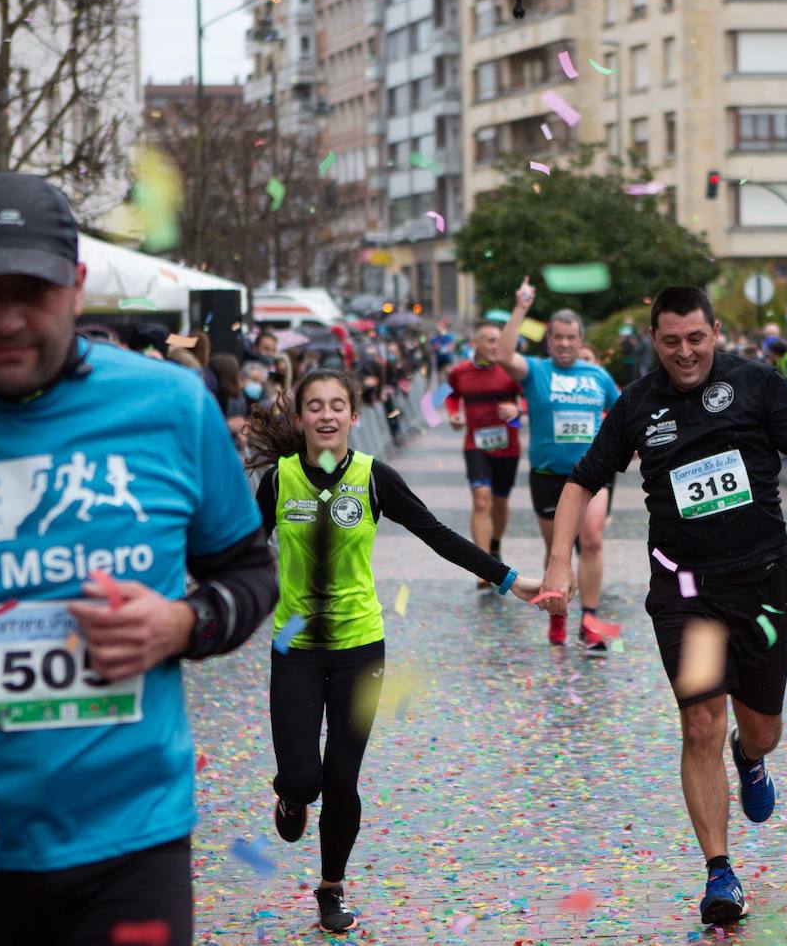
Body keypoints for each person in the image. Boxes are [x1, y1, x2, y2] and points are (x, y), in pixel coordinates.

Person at [0, 172, 278, 946]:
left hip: (131, 841)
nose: (8, 318)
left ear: (77, 286)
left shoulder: (172, 407)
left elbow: (250, 573)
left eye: (34, 290)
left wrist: (185, 621)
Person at [536, 285, 787, 927]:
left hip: (760, 589)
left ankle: (750, 756)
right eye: (670, 341)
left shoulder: (756, 384)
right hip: (688, 595)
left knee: (761, 728)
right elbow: (582, 481)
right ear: (654, 341)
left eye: (695, 338)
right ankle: (720, 873)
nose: (684, 352)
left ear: (715, 332)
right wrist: (559, 560)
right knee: (700, 720)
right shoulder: (639, 404)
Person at [243, 370, 541, 933]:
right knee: (304, 779)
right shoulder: (278, 482)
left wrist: (509, 579)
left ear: (355, 417)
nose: (326, 415)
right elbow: (240, 552)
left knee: (343, 778)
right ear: (301, 417)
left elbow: (436, 533)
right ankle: (291, 796)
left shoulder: (373, 477)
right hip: (296, 648)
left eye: (337, 406)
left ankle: (330, 888)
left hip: (361, 647)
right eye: (315, 406)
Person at [497, 278, 621, 650]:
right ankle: (558, 614)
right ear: (548, 341)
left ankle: (590, 619)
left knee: (593, 540)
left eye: (571, 338)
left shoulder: (598, 376)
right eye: (558, 338)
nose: (565, 344)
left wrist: (631, 447)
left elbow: (622, 415)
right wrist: (521, 307)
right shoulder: (536, 371)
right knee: (558, 551)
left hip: (594, 474)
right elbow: (504, 356)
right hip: (550, 476)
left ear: (581, 341)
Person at [444, 321, 523, 585]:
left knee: (499, 503)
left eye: (498, 340)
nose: (495, 346)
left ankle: (495, 545)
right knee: (481, 500)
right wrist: (453, 413)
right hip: (475, 445)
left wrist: (516, 410)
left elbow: (526, 397)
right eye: (489, 340)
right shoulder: (460, 372)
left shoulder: (510, 371)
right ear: (475, 344)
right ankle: (482, 565)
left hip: (507, 447)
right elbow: (449, 393)